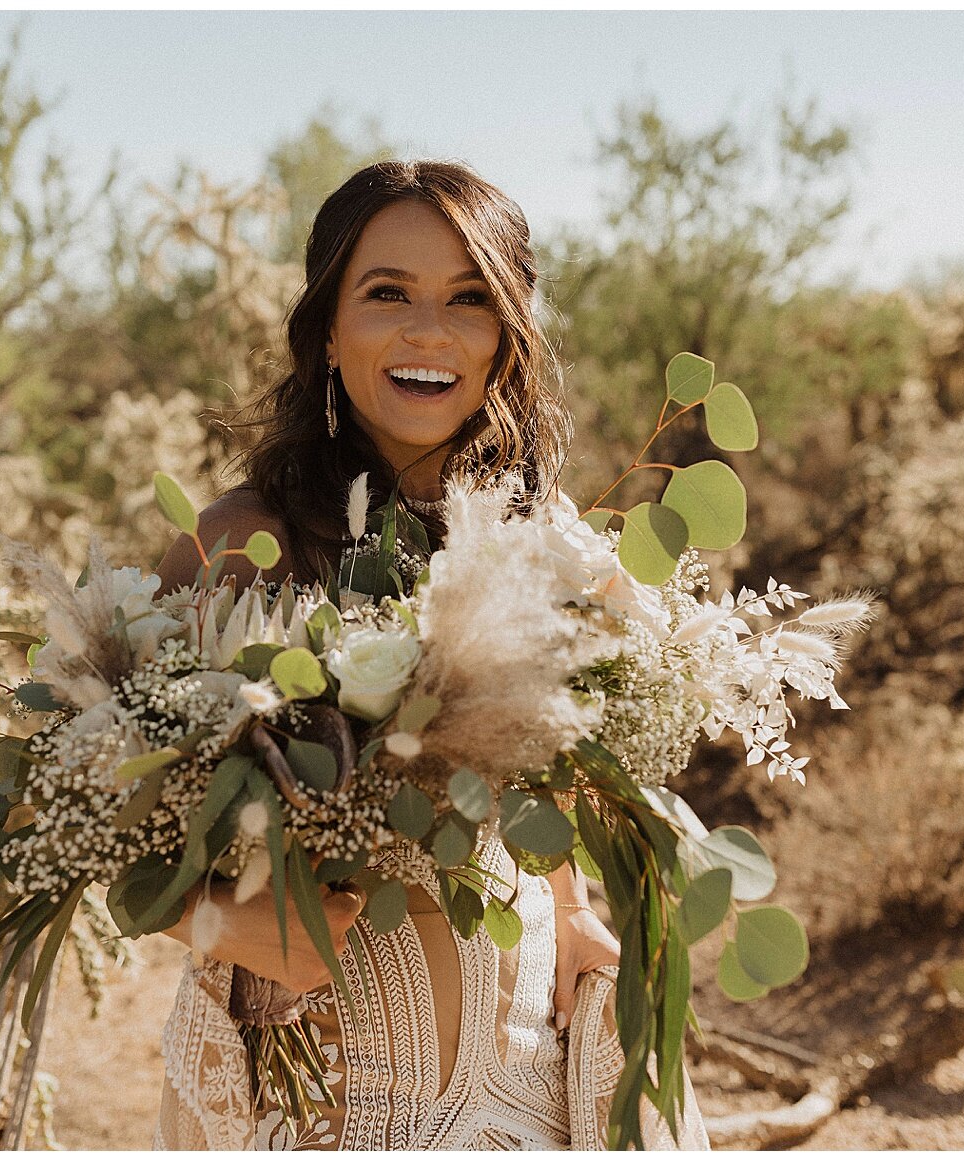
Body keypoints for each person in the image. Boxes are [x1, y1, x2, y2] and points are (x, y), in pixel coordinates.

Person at [148, 159, 705, 1150]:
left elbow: (557, 749)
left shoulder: (551, 537)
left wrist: (572, 900)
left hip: (530, 1065)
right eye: (386, 295)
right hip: (333, 1091)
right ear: (326, 328)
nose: (427, 333)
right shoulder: (242, 544)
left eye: (469, 300)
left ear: (507, 337)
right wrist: (216, 922)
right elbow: (76, 819)